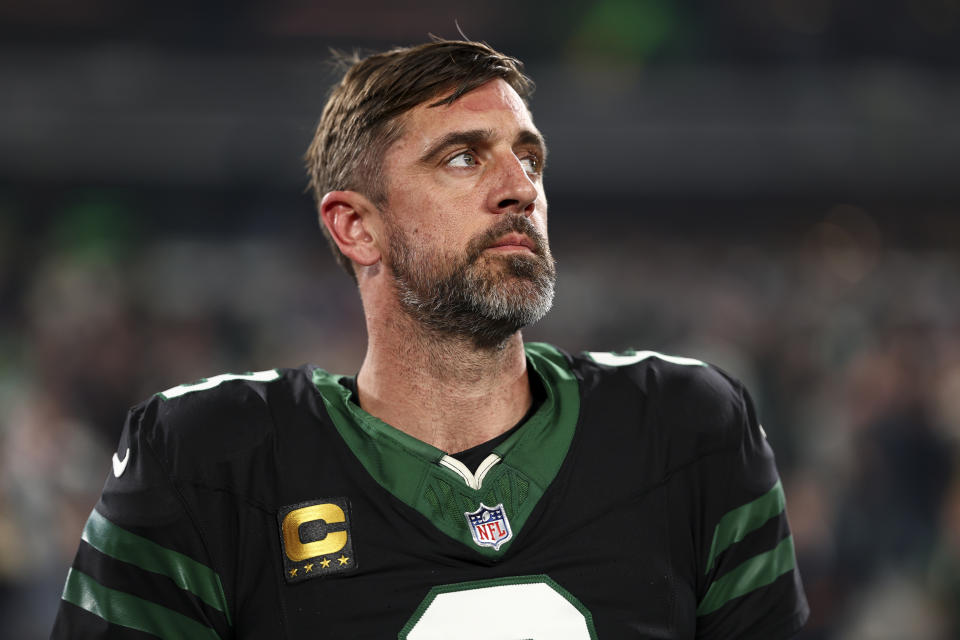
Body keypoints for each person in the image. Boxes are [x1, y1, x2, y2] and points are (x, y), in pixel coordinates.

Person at [51, 39, 808, 638]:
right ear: (357, 227)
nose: (519, 186)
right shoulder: (207, 464)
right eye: (461, 157)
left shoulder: (688, 429)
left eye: (529, 155)